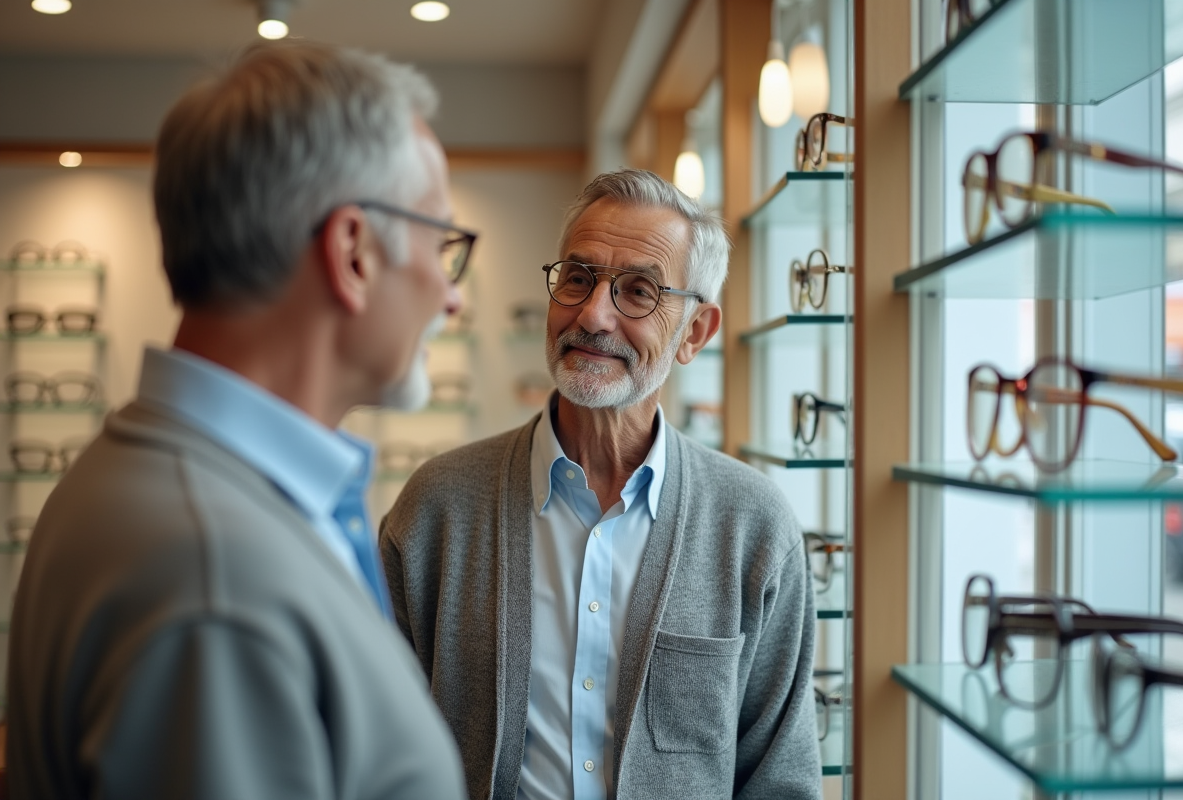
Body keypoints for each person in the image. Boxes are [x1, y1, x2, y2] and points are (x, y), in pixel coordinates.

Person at [6, 42, 472, 800]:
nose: (453, 296)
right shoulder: (216, 583)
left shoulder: (153, 482)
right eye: (442, 243)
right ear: (353, 252)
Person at [381, 168, 822, 800]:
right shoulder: (436, 508)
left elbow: (779, 782)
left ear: (695, 333)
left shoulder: (753, 527)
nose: (593, 314)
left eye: (639, 291)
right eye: (577, 278)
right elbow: (381, 753)